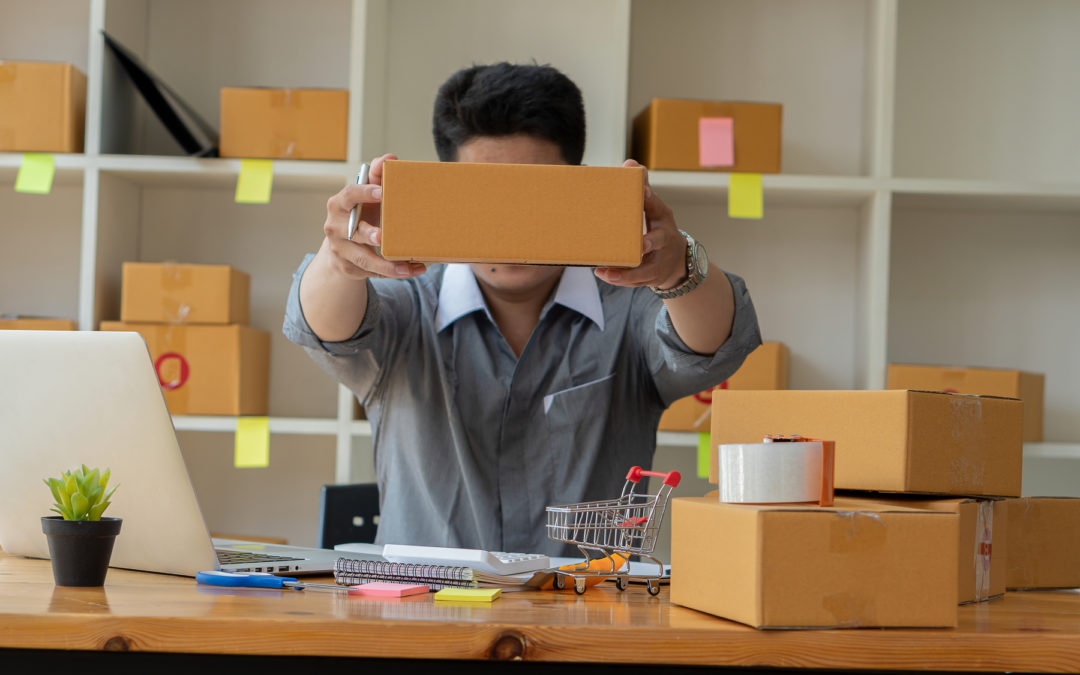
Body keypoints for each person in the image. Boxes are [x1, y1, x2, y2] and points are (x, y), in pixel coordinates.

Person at [284, 63, 761, 556]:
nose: (508, 228)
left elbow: (713, 345)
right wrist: (339, 260)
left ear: (575, 185)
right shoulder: (405, 297)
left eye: (531, 196)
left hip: (592, 619)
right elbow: (327, 330)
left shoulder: (630, 302)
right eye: (486, 197)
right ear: (447, 188)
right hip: (421, 617)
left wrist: (680, 270)